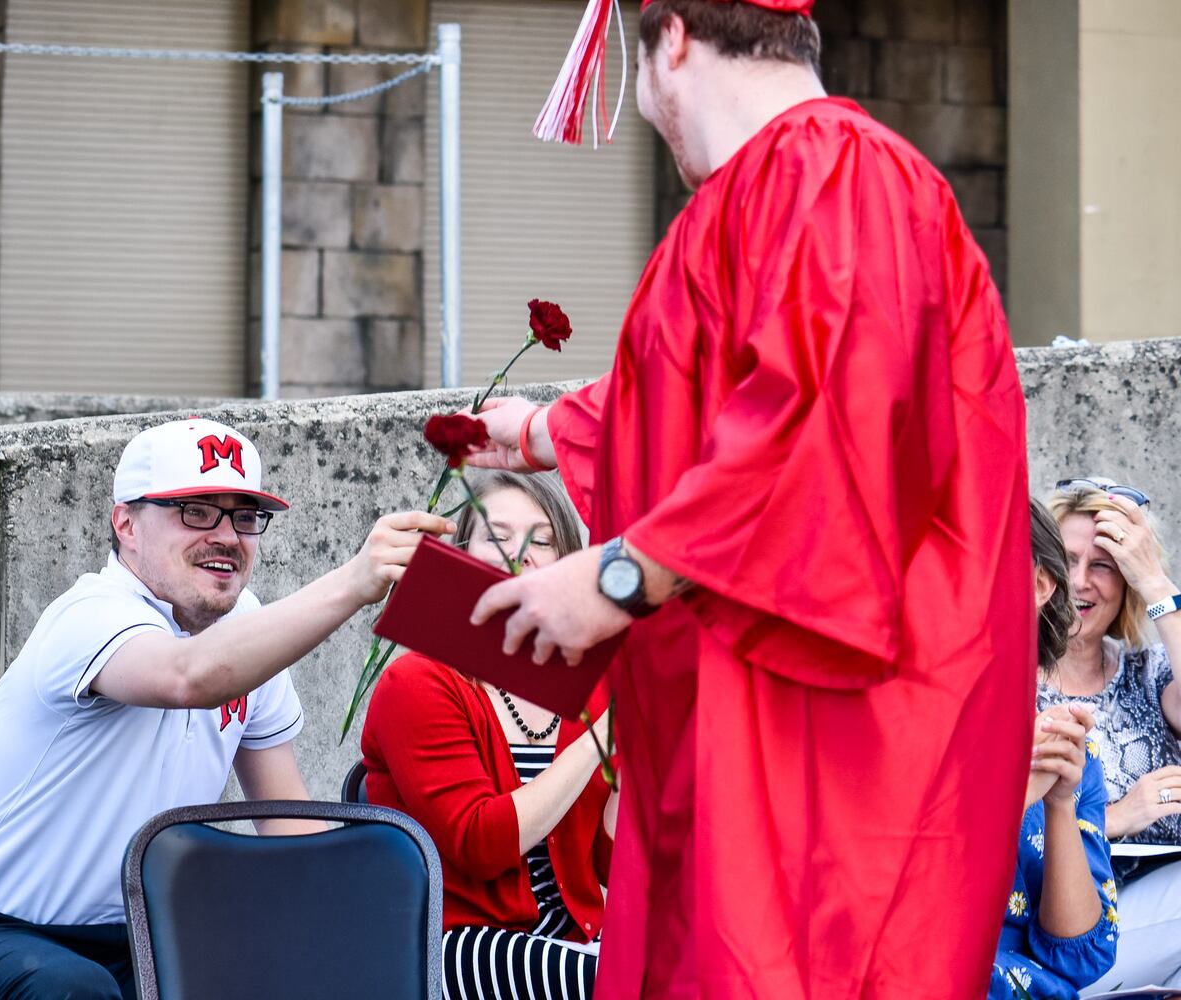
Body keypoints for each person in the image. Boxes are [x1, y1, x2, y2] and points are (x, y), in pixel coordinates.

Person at [465, 0, 1034, 995]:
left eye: (637, 86)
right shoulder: (759, 199)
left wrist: (615, 575)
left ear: (670, 40)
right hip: (730, 738)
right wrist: (528, 432)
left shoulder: (833, 168)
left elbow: (820, 416)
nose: (644, 113)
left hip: (821, 746)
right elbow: (696, 414)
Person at [0, 417, 453, 1000]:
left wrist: (355, 933)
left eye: (244, 516)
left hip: (138, 939)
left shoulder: (244, 631)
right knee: (73, 990)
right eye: (195, 510)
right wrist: (352, 583)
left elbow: (288, 823)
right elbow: (187, 677)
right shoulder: (89, 613)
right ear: (127, 524)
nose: (226, 535)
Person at [361, 471, 616, 1000]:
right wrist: (600, 739)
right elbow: (480, 843)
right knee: (629, 985)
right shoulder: (417, 682)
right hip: (457, 943)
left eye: (542, 539)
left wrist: (627, 770)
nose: (518, 554)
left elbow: (604, 864)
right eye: (496, 538)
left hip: (573, 935)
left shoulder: (591, 689)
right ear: (462, 556)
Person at [1035, 479, 1181, 994]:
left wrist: (1157, 583)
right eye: (1066, 561)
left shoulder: (1149, 673)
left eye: (1102, 565)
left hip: (1155, 928)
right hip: (1059, 933)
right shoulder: (1007, 680)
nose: (1080, 582)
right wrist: (1116, 816)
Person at [988, 500, 1117, 999]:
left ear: (1040, 585)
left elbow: (1080, 952)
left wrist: (1060, 803)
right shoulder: (889, 729)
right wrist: (1014, 797)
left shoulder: (1069, 748)